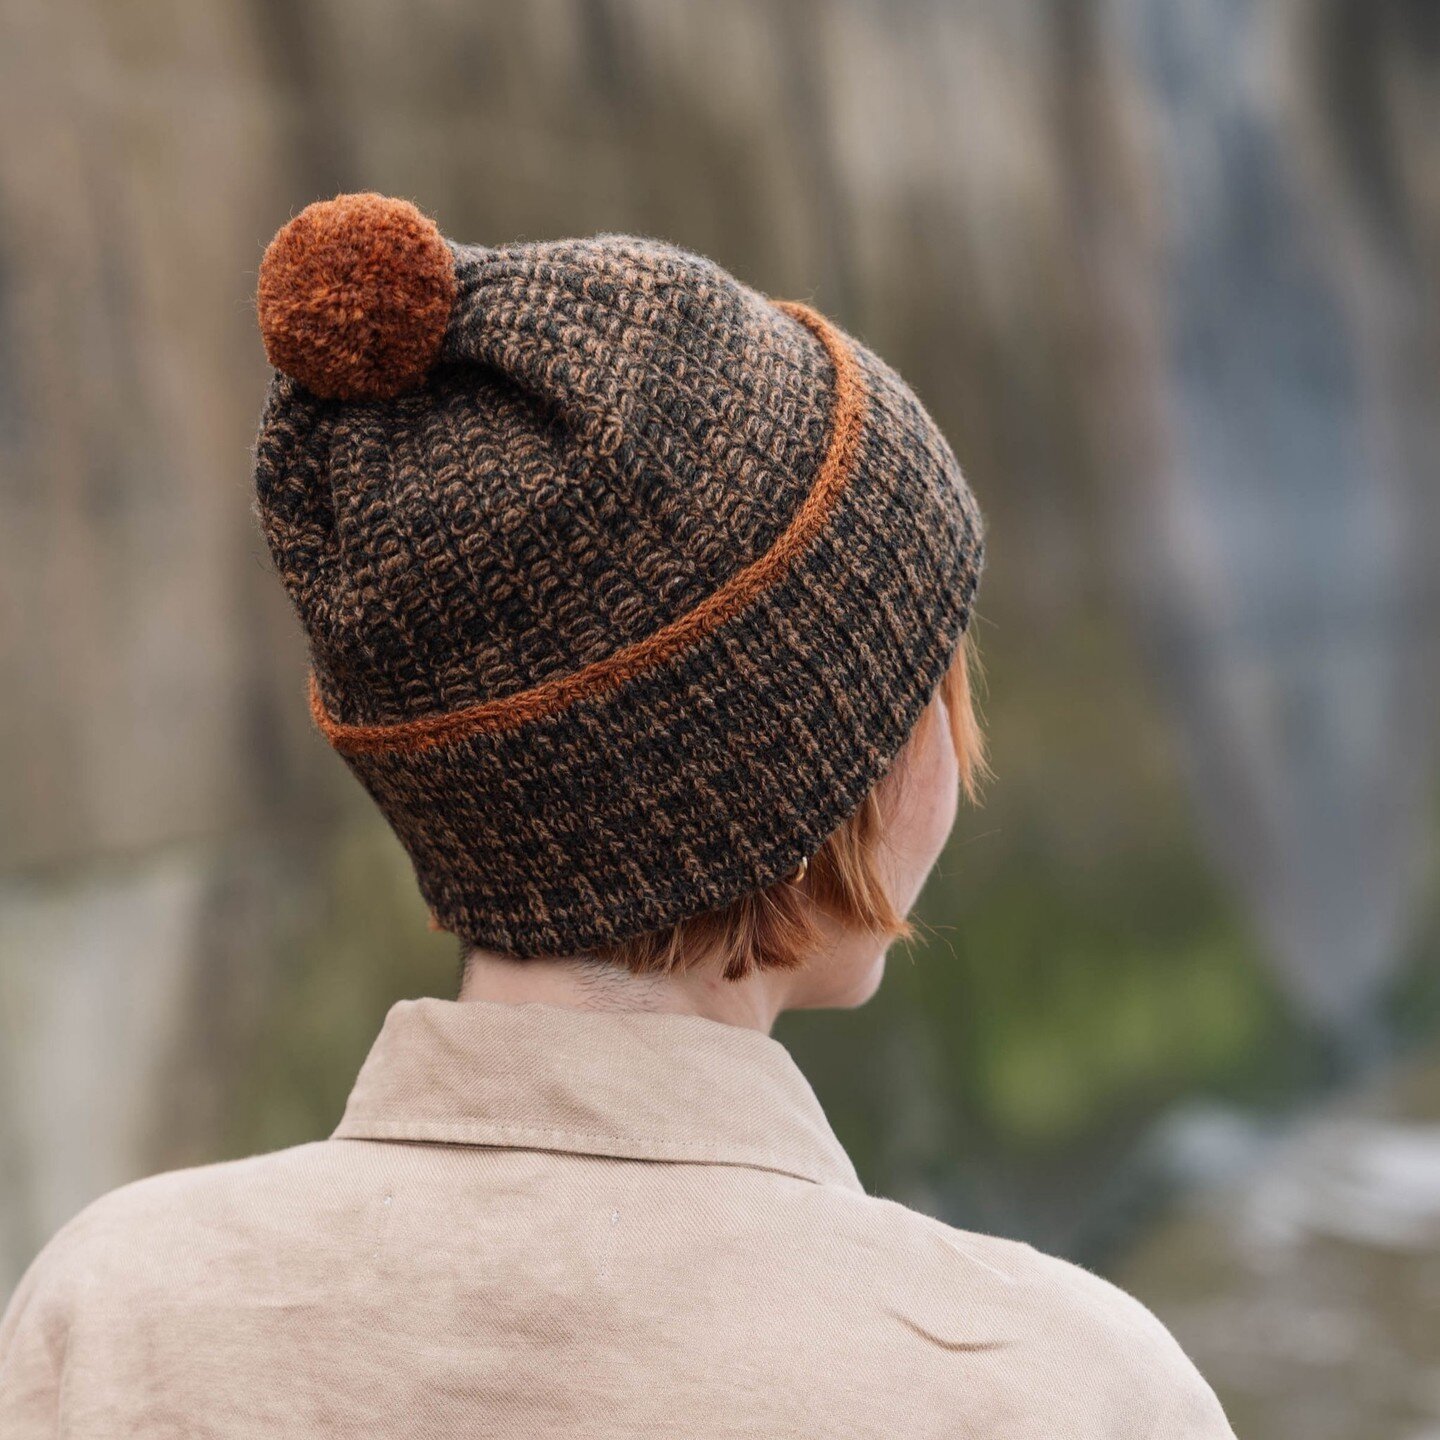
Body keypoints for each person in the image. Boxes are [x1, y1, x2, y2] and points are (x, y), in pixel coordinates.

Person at [0, 194, 1235, 1437]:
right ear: (815, 763)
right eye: (928, 673)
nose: (956, 748)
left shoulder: (110, 1315)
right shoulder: (1059, 1387)